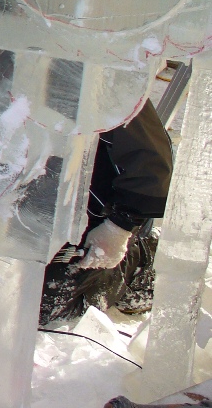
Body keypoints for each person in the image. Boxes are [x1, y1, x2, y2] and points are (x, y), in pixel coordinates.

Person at [36, 99, 173, 325]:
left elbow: (152, 165)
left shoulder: (110, 87)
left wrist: (119, 227)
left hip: (100, 219)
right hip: (35, 211)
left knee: (42, 305)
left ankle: (140, 259)